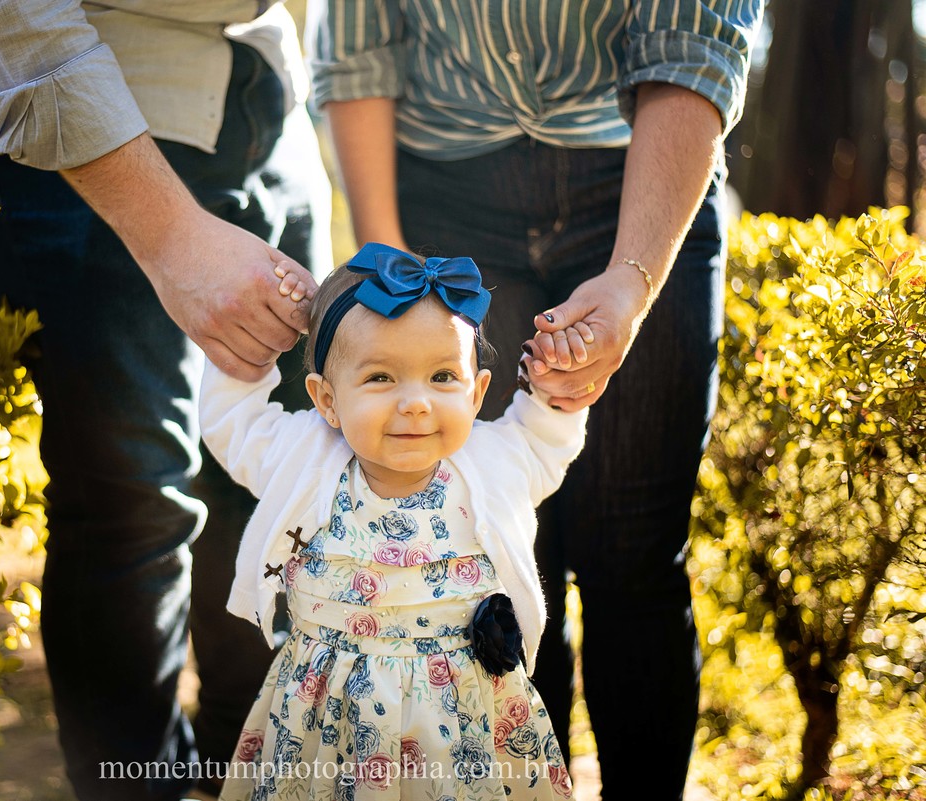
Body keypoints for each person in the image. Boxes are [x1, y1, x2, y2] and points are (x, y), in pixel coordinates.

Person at [309, 2, 764, 797]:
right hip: (445, 193)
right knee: (495, 563)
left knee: (636, 559)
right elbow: (358, 49)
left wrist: (635, 276)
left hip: (643, 176)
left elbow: (697, 41)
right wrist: (393, 272)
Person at [0, 2, 332, 799]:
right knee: (132, 494)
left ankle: (257, 773)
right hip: (49, 82)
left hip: (259, 80)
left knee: (283, 469)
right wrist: (173, 237)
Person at [199, 243, 588, 799]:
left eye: (442, 377)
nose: (415, 403)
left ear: (478, 392)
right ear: (327, 401)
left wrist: (558, 385)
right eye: (381, 377)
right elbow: (234, 423)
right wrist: (254, 339)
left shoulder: (495, 461)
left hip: (464, 725)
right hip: (328, 722)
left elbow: (548, 437)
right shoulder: (302, 459)